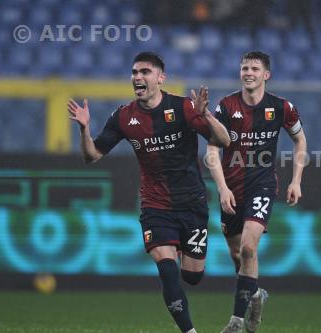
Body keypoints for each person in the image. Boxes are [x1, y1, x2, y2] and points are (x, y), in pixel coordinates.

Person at [67, 51, 230, 333]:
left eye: (144, 72)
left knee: (192, 276)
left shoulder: (183, 107)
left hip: (192, 203)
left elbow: (224, 140)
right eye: (134, 73)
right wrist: (84, 130)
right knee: (168, 270)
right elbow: (91, 155)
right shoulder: (123, 116)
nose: (138, 77)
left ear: (160, 77)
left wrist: (205, 115)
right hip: (156, 206)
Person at [206, 51, 307, 333]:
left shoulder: (282, 107)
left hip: (262, 185)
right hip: (231, 188)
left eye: (254, 68)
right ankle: (256, 295)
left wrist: (296, 180)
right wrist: (222, 187)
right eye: (244, 68)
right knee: (238, 255)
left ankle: (236, 321)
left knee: (250, 248)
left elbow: (300, 140)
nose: (248, 72)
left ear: (266, 75)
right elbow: (212, 149)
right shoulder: (225, 107)